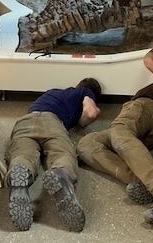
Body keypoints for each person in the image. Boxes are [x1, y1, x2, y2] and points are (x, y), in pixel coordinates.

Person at [77, 43, 153, 224]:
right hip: (147, 123)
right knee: (87, 144)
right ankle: (141, 181)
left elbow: (149, 61)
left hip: (145, 108)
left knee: (120, 132)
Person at [6, 77, 102, 233]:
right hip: (52, 122)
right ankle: (61, 174)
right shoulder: (86, 91)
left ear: (78, 83)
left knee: (23, 153)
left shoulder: (53, 92)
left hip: (25, 121)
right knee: (62, 153)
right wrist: (82, 122)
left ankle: (20, 170)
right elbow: (90, 113)